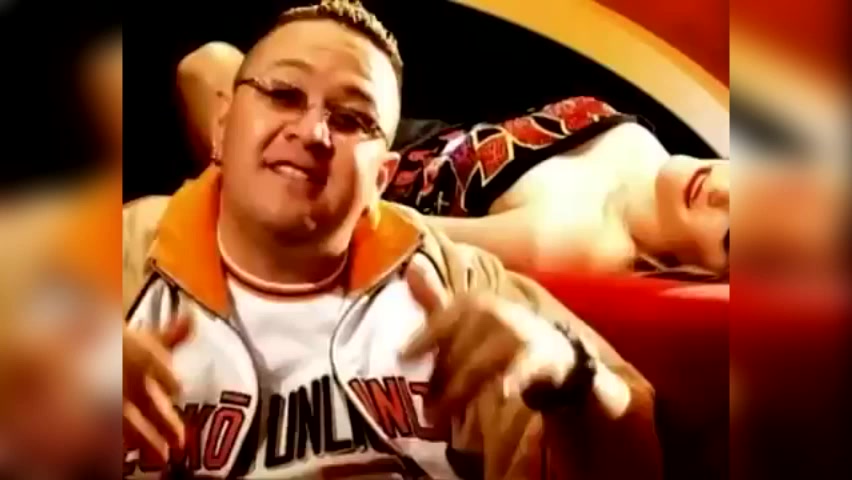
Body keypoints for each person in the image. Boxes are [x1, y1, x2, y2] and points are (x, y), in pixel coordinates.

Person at [123, 1, 660, 478]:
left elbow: (635, 459)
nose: (311, 132)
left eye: (351, 117)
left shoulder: (457, 279)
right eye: (283, 94)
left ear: (382, 179)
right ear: (221, 128)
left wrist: (570, 376)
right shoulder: (111, 256)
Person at [177, 40, 730, 279]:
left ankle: (229, 209)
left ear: (705, 274)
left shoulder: (580, 244)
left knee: (206, 68)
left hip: (348, 177)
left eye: (730, 238)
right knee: (211, 64)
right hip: (393, 129)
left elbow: (384, 234)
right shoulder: (649, 151)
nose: (723, 195)